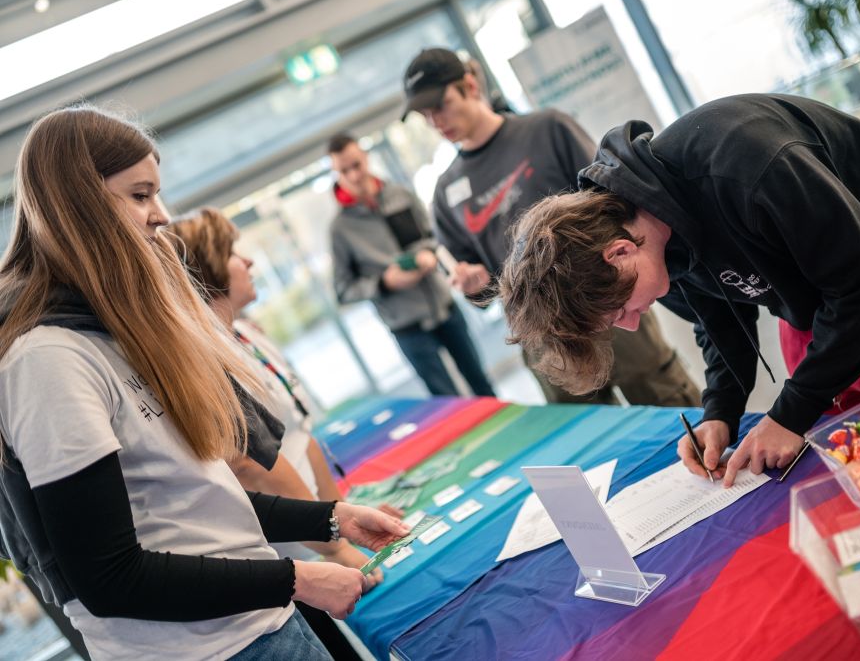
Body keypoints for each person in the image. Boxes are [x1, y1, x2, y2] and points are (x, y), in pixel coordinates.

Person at [0, 105, 409, 660]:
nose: (160, 215)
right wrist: (295, 578)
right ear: (82, 204)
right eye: (140, 195)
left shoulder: (106, 331)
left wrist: (330, 518)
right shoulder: (47, 359)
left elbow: (202, 500)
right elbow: (108, 577)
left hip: (255, 629)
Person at [497, 93, 860, 487]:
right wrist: (721, 411)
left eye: (619, 312)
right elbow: (719, 322)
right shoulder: (642, 245)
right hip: (817, 291)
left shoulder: (743, 160)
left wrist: (789, 412)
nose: (630, 322)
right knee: (847, 443)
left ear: (620, 253)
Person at [402, 47, 699, 406]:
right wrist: (471, 285)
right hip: (541, 331)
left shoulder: (547, 129)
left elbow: (612, 200)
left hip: (607, 299)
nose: (435, 121)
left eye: (441, 104)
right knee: (585, 436)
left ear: (469, 85)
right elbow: (476, 285)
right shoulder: (445, 192)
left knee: (668, 401)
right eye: (425, 114)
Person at [167, 207, 402, 660]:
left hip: (317, 528)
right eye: (234, 253)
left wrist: (343, 518)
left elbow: (301, 432)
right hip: (294, 551)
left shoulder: (246, 334)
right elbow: (254, 469)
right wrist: (335, 549)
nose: (249, 261)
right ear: (207, 268)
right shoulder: (202, 361)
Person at [328, 133, 496, 398]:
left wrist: (429, 256)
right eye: (343, 171)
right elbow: (343, 290)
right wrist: (385, 283)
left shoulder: (400, 195)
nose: (353, 175)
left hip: (445, 308)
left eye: (356, 165)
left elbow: (434, 237)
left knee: (482, 384)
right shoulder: (340, 229)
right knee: (447, 402)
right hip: (408, 328)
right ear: (335, 173)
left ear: (366, 158)